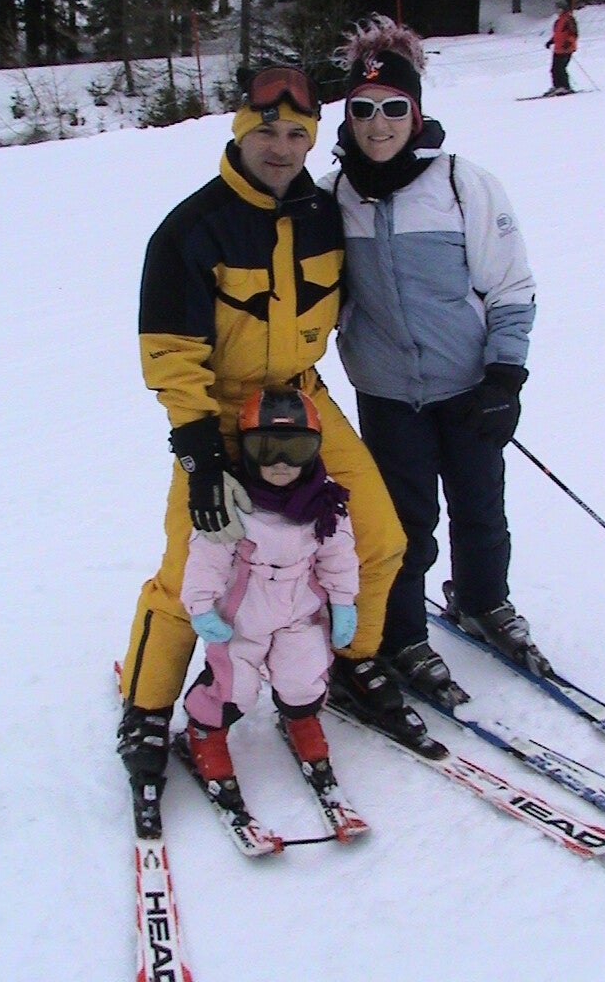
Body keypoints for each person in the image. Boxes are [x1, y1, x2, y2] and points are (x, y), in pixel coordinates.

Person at [117, 65, 424, 834]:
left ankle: (345, 663)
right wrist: (201, 459)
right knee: (192, 571)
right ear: (238, 129)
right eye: (267, 132)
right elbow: (170, 354)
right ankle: (146, 711)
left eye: (296, 134)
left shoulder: (324, 215)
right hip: (221, 413)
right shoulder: (192, 230)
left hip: (302, 401)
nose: (281, 147)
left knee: (380, 539)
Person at [320, 15, 550, 708]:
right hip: (387, 393)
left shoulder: (460, 183)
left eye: (394, 108)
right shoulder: (330, 198)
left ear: (415, 112)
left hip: (469, 386)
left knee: (480, 506)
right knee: (405, 523)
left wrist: (505, 377)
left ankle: (483, 600)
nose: (379, 124)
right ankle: (402, 635)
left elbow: (511, 286)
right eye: (363, 109)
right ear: (348, 115)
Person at [181, 386, 358, 810]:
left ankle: (302, 716)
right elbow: (206, 556)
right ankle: (206, 728)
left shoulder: (325, 502)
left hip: (301, 609)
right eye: (265, 448)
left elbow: (338, 556)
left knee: (304, 672)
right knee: (234, 686)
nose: (281, 463)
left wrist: (343, 602)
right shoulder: (234, 502)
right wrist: (201, 607)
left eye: (296, 449)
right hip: (243, 615)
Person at [545, 4, 578, 94]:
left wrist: (569, 42)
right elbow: (558, 34)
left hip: (566, 48)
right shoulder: (558, 21)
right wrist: (551, 41)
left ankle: (564, 87)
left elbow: (574, 33)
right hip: (558, 48)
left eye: (560, 9)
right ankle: (557, 86)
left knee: (560, 68)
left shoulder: (569, 19)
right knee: (554, 69)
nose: (558, 11)